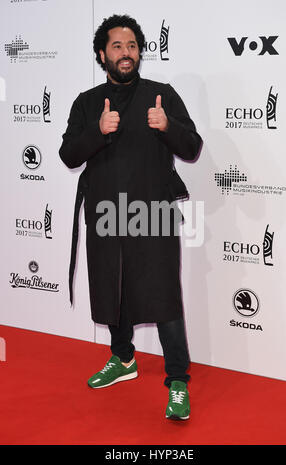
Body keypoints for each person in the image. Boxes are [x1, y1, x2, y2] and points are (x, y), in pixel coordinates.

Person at [59, 14, 202, 421]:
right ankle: (123, 359)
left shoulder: (162, 95)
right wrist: (97, 131)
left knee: (163, 296)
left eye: (133, 46)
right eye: (117, 47)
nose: (126, 53)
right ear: (102, 54)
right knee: (111, 289)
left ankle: (177, 379)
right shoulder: (87, 103)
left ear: (140, 52)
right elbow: (69, 154)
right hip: (104, 211)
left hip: (152, 212)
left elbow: (191, 147)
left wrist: (168, 126)